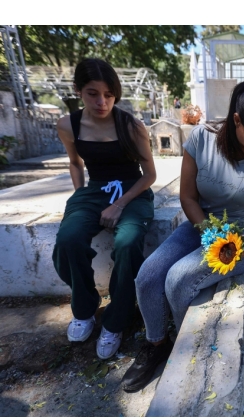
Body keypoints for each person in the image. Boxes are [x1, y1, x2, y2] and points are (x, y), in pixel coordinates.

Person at [121, 81, 244, 392]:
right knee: (148, 276)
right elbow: (188, 198)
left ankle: (183, 348)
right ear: (236, 121)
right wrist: (210, 230)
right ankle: (157, 343)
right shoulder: (202, 140)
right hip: (200, 224)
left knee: (178, 279)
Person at [53, 59, 157, 360]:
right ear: (78, 91)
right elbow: (75, 163)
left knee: (127, 243)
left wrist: (119, 204)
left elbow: (149, 175)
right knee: (69, 239)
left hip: (133, 192)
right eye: (93, 93)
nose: (102, 102)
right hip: (95, 189)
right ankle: (84, 309)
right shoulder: (68, 125)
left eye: (109, 94)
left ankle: (115, 321)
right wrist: (80, 199)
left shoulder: (131, 126)